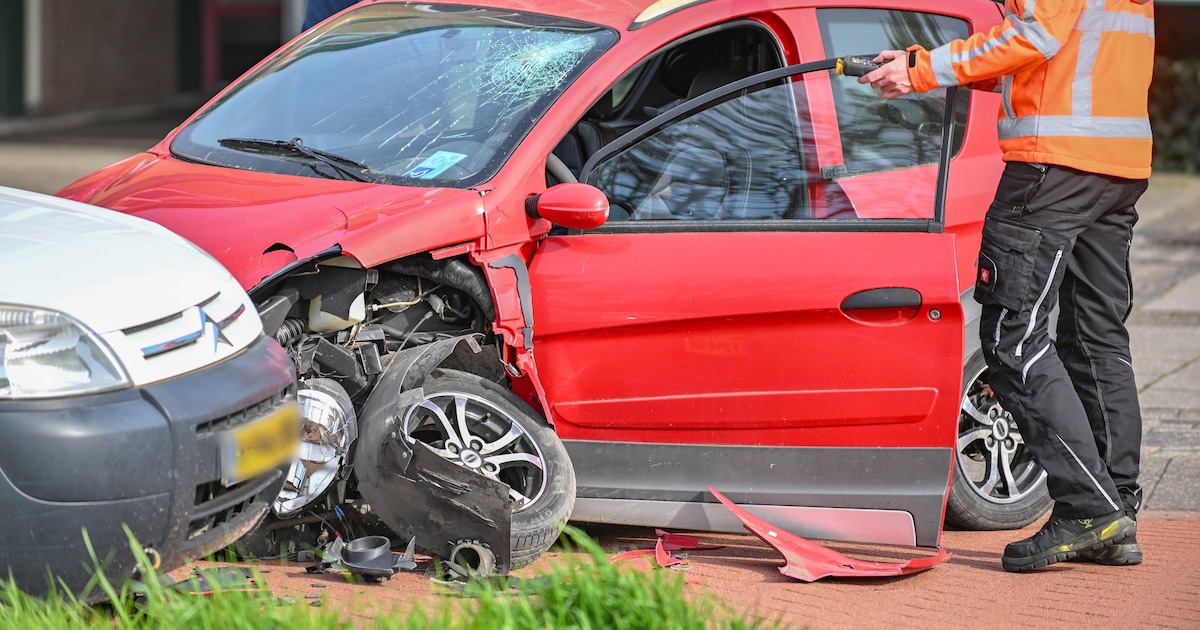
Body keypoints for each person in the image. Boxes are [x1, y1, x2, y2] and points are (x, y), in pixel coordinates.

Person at [860, 0, 1155, 572]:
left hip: (1053, 167)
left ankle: (1088, 508)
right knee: (1096, 341)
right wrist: (932, 63)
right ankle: (1113, 511)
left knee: (1012, 338)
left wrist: (922, 71)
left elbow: (1037, 36)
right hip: (1116, 165)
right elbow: (1060, 51)